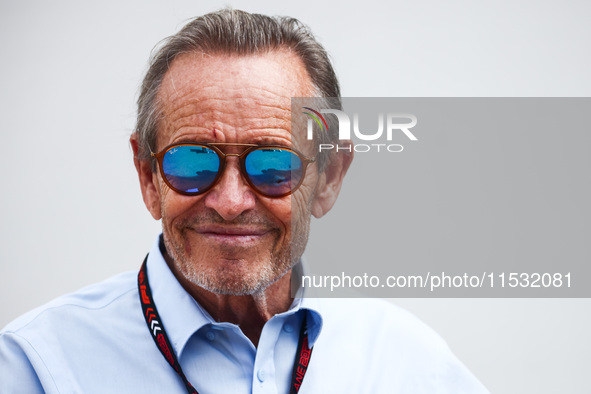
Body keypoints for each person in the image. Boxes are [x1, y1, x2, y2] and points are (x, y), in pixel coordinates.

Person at [0, 9, 488, 393]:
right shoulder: (35, 367)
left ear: (329, 178)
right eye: (193, 163)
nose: (231, 202)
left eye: (273, 165)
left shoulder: (406, 364)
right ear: (148, 177)